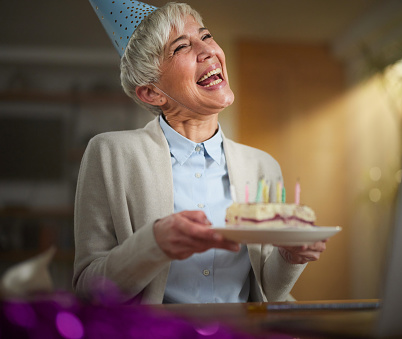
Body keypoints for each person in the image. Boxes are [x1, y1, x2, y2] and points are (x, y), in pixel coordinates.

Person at [73, 1, 326, 304]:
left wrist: (290, 256)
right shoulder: (110, 153)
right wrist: (154, 243)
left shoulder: (263, 165)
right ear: (152, 92)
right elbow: (88, 292)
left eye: (205, 37)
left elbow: (268, 292)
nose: (207, 51)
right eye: (181, 47)